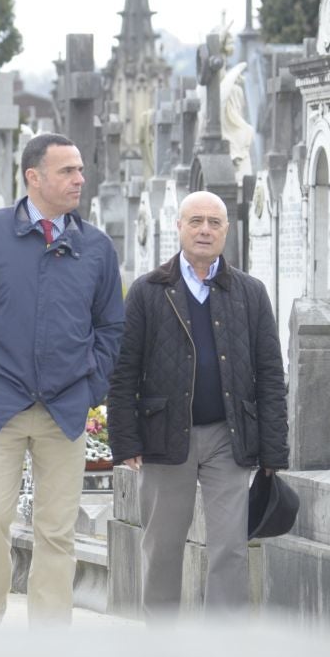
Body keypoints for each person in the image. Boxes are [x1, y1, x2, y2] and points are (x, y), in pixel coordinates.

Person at [0, 132, 124, 627]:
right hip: (0, 401)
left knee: (56, 530)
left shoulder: (95, 247)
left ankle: (50, 640)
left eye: (81, 170)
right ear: (33, 177)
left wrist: (92, 388)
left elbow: (111, 327)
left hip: (66, 408)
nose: (79, 179)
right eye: (67, 170)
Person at [108, 191, 289, 620]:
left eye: (214, 222)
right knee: (163, 544)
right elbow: (123, 372)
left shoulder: (250, 293)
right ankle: (162, 641)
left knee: (229, 546)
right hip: (166, 437)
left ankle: (222, 647)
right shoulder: (148, 292)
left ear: (227, 231)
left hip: (230, 438)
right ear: (180, 227)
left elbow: (270, 374)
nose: (205, 229)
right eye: (196, 221)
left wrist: (273, 451)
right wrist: (125, 440)